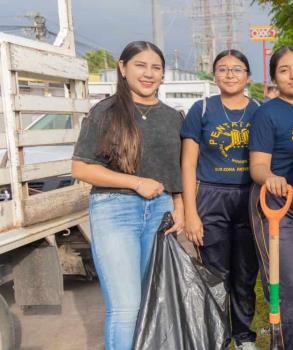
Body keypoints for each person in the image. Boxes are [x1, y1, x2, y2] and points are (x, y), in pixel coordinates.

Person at [71, 41, 184, 350]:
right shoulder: (105, 111)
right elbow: (81, 168)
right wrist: (135, 183)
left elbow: (174, 172)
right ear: (122, 67)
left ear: (163, 74)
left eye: (156, 67)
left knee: (152, 301)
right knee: (126, 307)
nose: (148, 74)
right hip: (114, 209)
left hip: (160, 211)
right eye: (140, 65)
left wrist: (180, 207)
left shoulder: (173, 117)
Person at [180, 49, 261, 350]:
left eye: (237, 69)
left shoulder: (259, 111)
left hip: (248, 197)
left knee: (244, 273)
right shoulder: (201, 110)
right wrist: (191, 213)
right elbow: (188, 164)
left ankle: (243, 335)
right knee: (216, 273)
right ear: (214, 75)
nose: (230, 75)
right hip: (211, 197)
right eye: (223, 69)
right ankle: (215, 335)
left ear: (247, 76)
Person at [248, 45, 293, 350]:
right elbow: (258, 165)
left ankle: (284, 332)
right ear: (274, 76)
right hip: (276, 206)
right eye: (284, 69)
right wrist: (270, 177)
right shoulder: (267, 112)